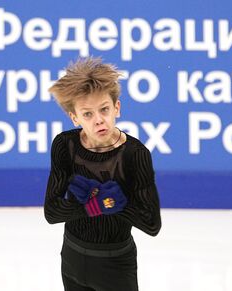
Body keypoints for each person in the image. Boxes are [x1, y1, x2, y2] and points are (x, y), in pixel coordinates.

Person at [44, 57, 161, 291]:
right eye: (87, 114)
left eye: (104, 109)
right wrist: (92, 206)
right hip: (72, 259)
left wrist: (121, 203)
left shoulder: (134, 154)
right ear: (74, 117)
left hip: (115, 266)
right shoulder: (64, 146)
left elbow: (152, 224)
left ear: (117, 107)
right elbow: (52, 212)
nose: (99, 120)